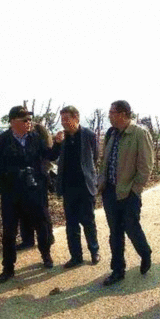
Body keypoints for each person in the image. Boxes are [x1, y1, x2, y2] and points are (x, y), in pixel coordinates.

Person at [0, 106, 60, 283]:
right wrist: (5, 190)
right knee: (9, 232)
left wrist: (58, 144)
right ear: (13, 121)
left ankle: (46, 255)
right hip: (12, 194)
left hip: (35, 191)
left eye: (30, 120)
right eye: (25, 120)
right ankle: (8, 268)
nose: (29, 123)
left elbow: (49, 155)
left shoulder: (35, 138)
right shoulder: (1, 141)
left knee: (42, 226)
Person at [98, 100, 154, 286]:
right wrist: (102, 182)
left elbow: (146, 166)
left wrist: (135, 190)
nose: (109, 115)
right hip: (110, 191)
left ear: (123, 114)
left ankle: (145, 252)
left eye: (112, 112)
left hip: (129, 192)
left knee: (132, 228)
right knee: (115, 232)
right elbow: (105, 161)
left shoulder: (139, 133)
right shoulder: (111, 133)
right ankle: (117, 270)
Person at [53, 105, 100, 268]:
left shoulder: (89, 135)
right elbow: (53, 156)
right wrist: (57, 144)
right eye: (62, 119)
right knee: (71, 224)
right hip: (68, 187)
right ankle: (76, 256)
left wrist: (88, 175)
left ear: (76, 118)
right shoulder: (61, 138)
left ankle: (94, 251)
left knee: (88, 221)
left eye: (67, 119)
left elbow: (94, 157)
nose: (64, 122)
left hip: (85, 186)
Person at [16, 121, 56, 250]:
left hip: (39, 178)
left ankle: (44, 237)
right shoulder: (26, 137)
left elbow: (48, 155)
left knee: (41, 210)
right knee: (26, 210)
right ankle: (33, 238)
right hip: (27, 178)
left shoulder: (37, 137)